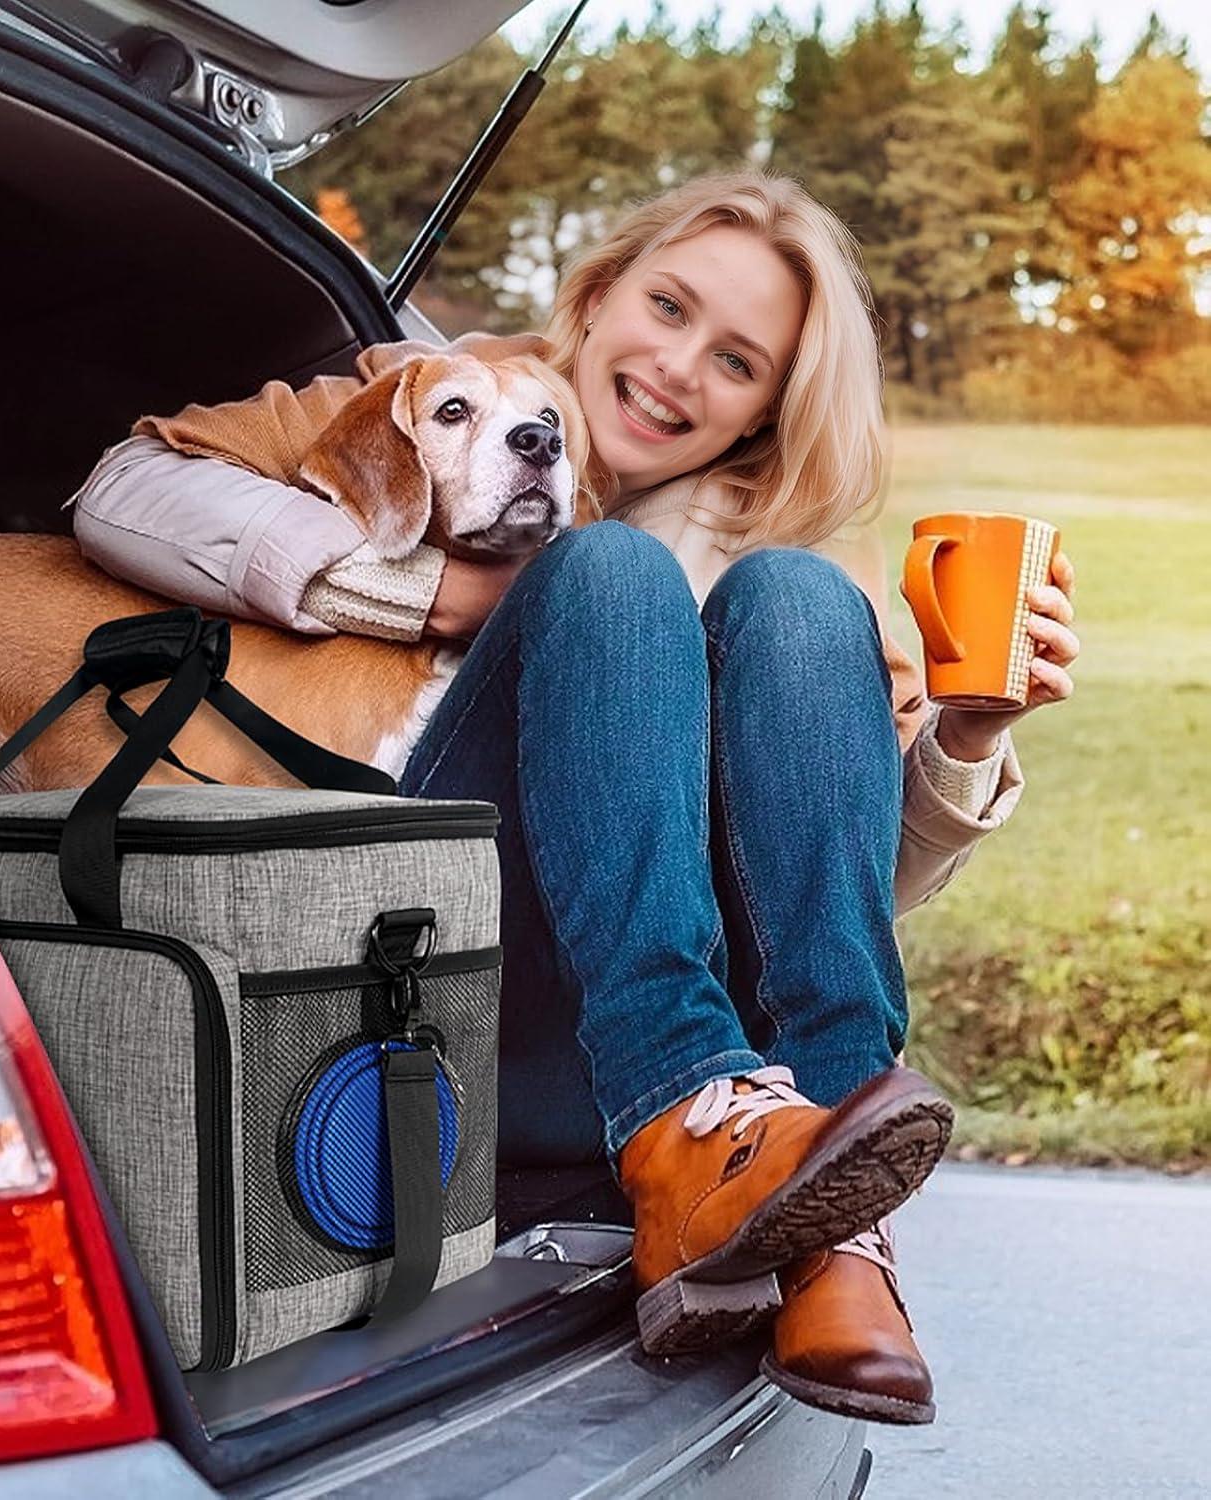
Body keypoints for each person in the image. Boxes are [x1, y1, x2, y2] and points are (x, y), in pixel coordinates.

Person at [68, 170, 1080, 1424]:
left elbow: (840, 881)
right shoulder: (426, 391)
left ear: (766, 408)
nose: (676, 368)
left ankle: (834, 1222)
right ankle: (685, 1127)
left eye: (737, 361)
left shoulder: (777, 556)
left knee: (801, 604)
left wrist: (965, 740)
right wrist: (449, 597)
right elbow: (127, 493)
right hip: (459, 994)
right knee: (607, 576)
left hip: (677, 1053)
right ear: (598, 295)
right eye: (666, 306)